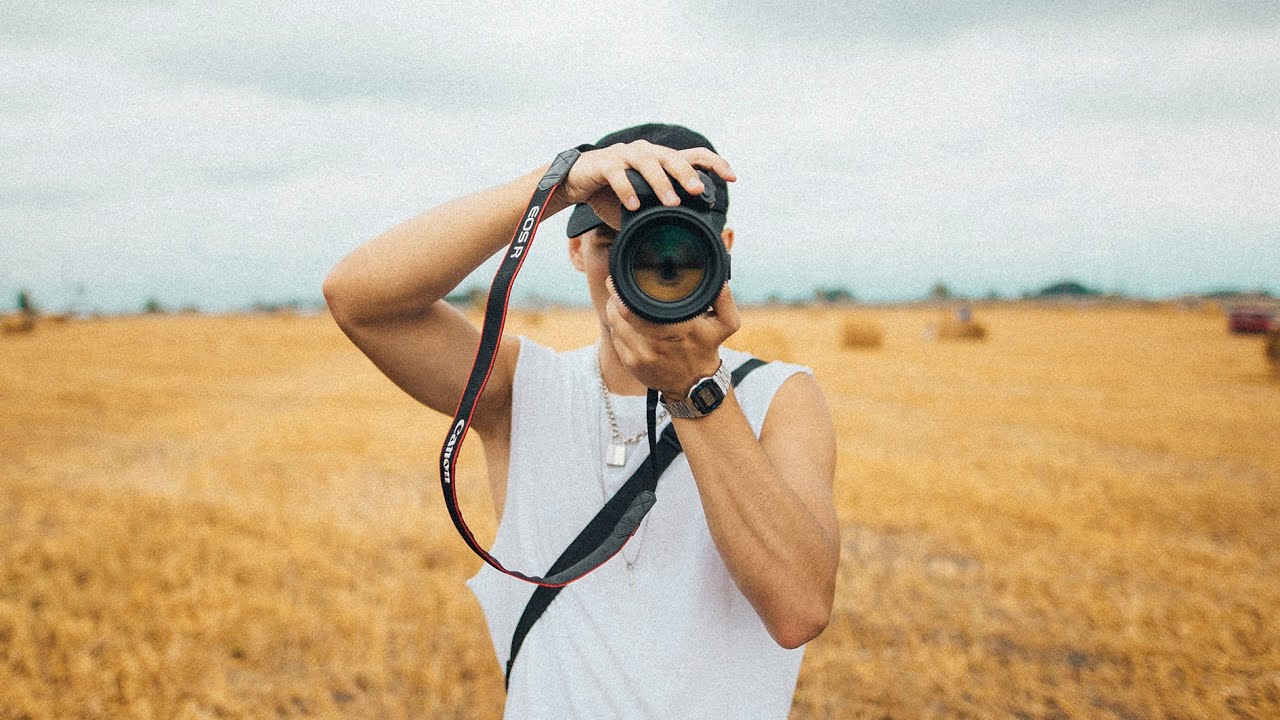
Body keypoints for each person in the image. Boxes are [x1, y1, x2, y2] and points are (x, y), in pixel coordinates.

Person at [323, 124, 839, 718]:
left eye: (670, 251)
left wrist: (693, 389)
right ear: (574, 250)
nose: (638, 274)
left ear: (721, 249)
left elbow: (799, 608)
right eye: (612, 247)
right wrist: (556, 184)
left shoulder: (778, 396)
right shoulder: (519, 388)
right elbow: (358, 299)